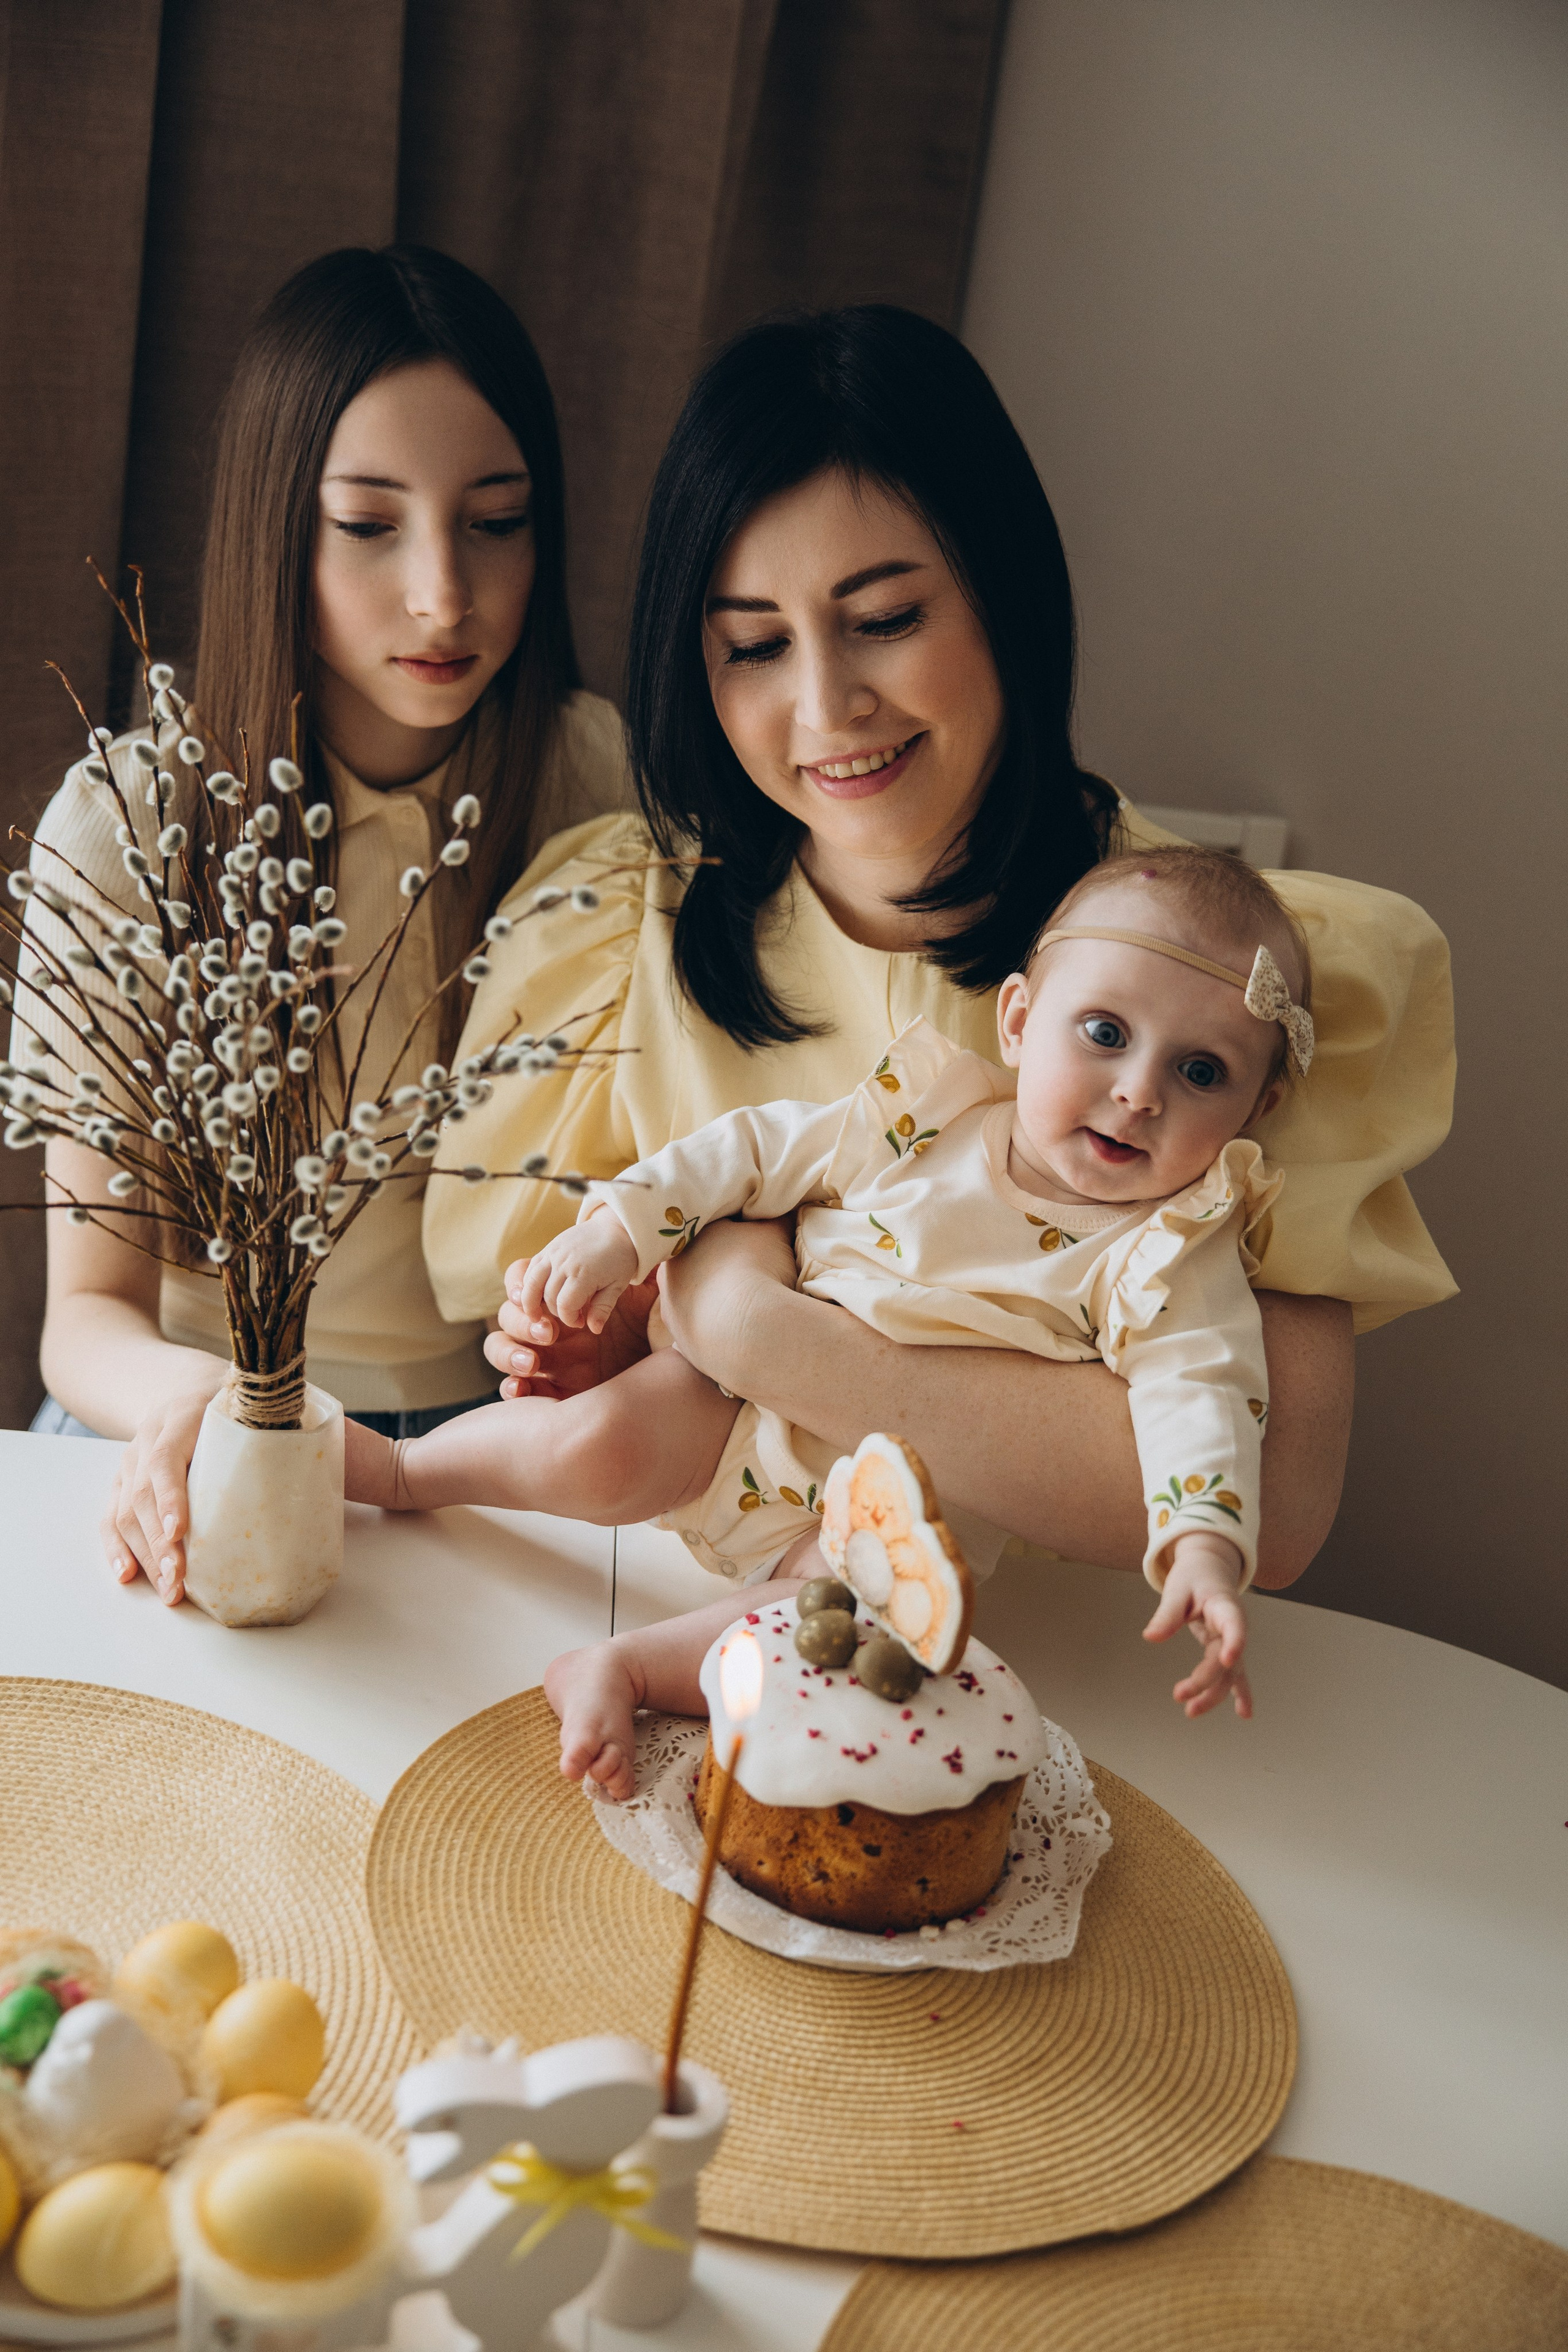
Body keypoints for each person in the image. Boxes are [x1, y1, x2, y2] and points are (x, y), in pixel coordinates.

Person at [422, 306, 1455, 1591]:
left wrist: (752, 1318)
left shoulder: (1219, 991)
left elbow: (1273, 1506)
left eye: (886, 617)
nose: (824, 707)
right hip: (640, 1619)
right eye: (751, 645)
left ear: (999, 591)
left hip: (1070, 1684)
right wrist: (628, 1336)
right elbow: (542, 1362)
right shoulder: (607, 925)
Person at [350, 845, 1309, 1756]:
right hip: (730, 1410)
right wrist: (621, 1231)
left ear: (1257, 1107)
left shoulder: (1169, 1250)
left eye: (1201, 1072)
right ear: (1018, 1021)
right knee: (593, 1446)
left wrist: (1203, 1548)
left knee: (838, 1629)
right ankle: (404, 1471)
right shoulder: (921, 1119)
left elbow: (1203, 1393)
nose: (1138, 1093)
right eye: (1105, 1034)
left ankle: (626, 1668)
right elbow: (755, 1151)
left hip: (895, 1517)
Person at [20, 245, 628, 1602]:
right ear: (274, 527)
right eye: (368, 524)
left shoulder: (597, 790)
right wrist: (213, 1408)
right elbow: (86, 1318)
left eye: (496, 519)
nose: (444, 595)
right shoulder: (129, 827)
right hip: (184, 1425)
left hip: (489, 1459)